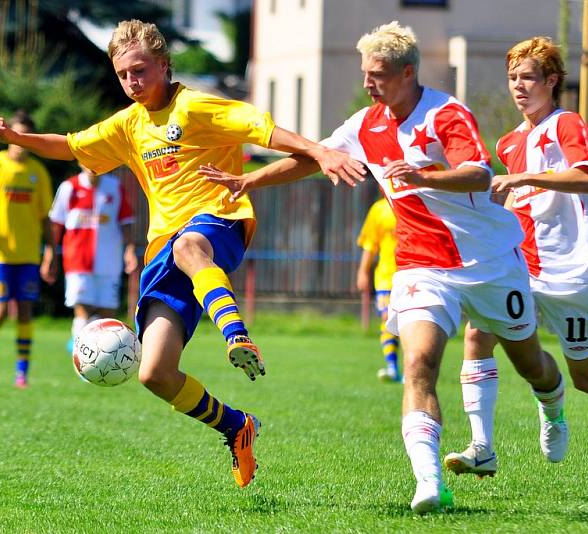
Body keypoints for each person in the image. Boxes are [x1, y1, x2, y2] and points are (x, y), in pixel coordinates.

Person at [200, 21, 567, 513]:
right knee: (418, 365)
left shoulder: (445, 113)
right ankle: (429, 481)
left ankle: (552, 404)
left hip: (489, 261)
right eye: (365, 73)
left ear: (407, 72)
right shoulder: (365, 124)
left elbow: (480, 173)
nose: (369, 83)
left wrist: (423, 174)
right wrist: (250, 181)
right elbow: (316, 158)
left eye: (378, 75)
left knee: (532, 366)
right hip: (421, 265)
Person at [0, 19, 365, 487]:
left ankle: (236, 335)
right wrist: (18, 139)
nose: (132, 82)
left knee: (189, 244)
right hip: (162, 250)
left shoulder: (197, 106)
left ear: (164, 64)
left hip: (216, 223)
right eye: (123, 75)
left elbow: (264, 131)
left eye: (140, 70)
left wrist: (320, 152)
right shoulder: (127, 125)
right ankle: (237, 426)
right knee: (155, 373)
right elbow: (72, 145)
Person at [443, 36, 588, 480]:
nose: (518, 87)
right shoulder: (506, 144)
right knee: (478, 334)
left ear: (552, 81)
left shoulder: (567, 125)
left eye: (528, 78)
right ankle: (484, 446)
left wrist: (520, 177)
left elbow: (587, 177)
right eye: (513, 78)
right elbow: (513, 202)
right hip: (521, 265)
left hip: (574, 271)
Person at [0, 110, 56, 389]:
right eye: (15, 136)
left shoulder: (37, 172)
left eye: (24, 136)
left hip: (27, 255)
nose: (19, 142)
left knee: (26, 312)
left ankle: (22, 373)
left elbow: (45, 217)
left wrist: (50, 252)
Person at [44, 163, 138, 351]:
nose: (91, 164)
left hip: (109, 260)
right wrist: (50, 255)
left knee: (107, 313)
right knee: (82, 309)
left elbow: (125, 221)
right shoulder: (68, 187)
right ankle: (83, 358)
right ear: (79, 162)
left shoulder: (115, 186)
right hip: (77, 260)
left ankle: (102, 358)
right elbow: (55, 224)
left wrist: (129, 250)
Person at [356, 196, 401, 382]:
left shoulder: (417, 200)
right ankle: (392, 366)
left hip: (412, 274)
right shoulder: (379, 209)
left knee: (410, 324)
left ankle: (413, 368)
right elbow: (370, 244)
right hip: (385, 277)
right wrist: (363, 272)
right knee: (387, 318)